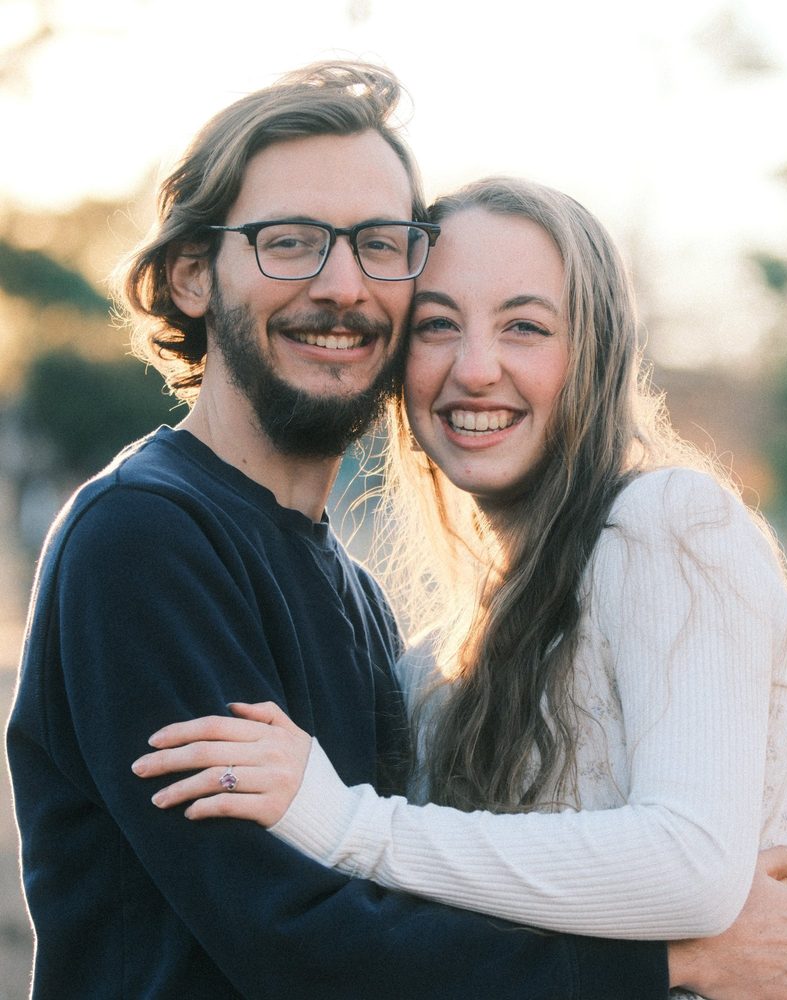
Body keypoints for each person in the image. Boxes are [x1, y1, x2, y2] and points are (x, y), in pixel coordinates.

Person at [8, 60, 679, 1000]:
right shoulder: (143, 539)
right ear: (193, 275)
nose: (342, 285)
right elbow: (294, 938)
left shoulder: (352, 591)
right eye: (291, 242)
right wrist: (664, 970)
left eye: (378, 244)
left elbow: (407, 878)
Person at [130, 178, 787, 998]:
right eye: (438, 326)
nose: (476, 370)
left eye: (525, 326)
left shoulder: (670, 522)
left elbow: (691, 867)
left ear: (595, 350)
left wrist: (345, 823)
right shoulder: (431, 667)